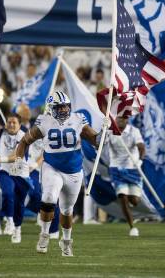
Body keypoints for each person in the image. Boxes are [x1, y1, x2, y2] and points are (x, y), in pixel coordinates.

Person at [11, 91, 107, 256]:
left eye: (65, 106)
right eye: (59, 107)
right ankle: (44, 234)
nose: (63, 110)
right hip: (52, 166)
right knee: (48, 198)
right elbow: (25, 141)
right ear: (51, 108)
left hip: (74, 171)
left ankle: (66, 240)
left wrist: (104, 132)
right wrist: (19, 161)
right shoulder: (44, 121)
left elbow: (95, 141)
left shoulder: (77, 119)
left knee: (67, 210)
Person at [0, 92, 38, 244]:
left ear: (19, 124)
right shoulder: (2, 133)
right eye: (8, 122)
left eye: (13, 123)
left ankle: (17, 227)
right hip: (6, 171)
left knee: (19, 204)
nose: (10, 125)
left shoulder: (24, 136)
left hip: (21, 173)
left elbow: (17, 155)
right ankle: (9, 220)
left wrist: (0, 158)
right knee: (8, 193)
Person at [106, 116, 145, 237]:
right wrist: (103, 132)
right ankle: (132, 226)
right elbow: (98, 144)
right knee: (122, 196)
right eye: (118, 119)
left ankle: (132, 203)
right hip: (116, 168)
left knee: (135, 200)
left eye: (123, 119)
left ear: (127, 120)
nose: (120, 121)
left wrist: (140, 159)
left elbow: (141, 147)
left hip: (133, 168)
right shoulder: (109, 131)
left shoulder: (134, 131)